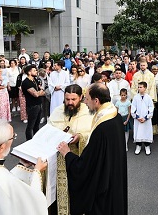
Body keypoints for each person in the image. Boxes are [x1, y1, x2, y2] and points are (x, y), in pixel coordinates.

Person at [56, 83, 127, 215]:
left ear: (96, 101)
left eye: (87, 99)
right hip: (114, 176)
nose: (85, 103)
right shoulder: (114, 114)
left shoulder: (102, 128)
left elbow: (86, 166)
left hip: (104, 187)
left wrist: (68, 154)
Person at [48, 84, 92, 215]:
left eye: (73, 99)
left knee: (76, 197)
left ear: (81, 97)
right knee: (57, 194)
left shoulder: (88, 112)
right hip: (57, 162)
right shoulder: (57, 111)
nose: (70, 103)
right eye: (67, 99)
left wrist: (80, 137)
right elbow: (48, 129)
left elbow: (93, 135)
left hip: (77, 161)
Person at [21, 65, 46, 140]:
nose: (36, 72)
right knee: (30, 126)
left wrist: (40, 92)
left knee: (37, 125)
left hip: (39, 104)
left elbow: (42, 91)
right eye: (34, 70)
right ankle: (28, 141)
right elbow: (36, 94)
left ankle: (36, 140)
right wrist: (40, 92)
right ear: (29, 72)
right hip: (32, 106)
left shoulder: (35, 80)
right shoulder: (26, 82)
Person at [131, 82, 154, 155]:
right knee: (138, 132)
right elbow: (133, 107)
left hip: (146, 119)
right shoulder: (135, 97)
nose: (139, 88)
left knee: (146, 131)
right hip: (138, 119)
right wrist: (137, 117)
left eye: (141, 87)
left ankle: (147, 146)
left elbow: (151, 107)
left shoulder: (148, 97)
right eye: (138, 87)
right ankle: (138, 146)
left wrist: (146, 117)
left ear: (145, 88)